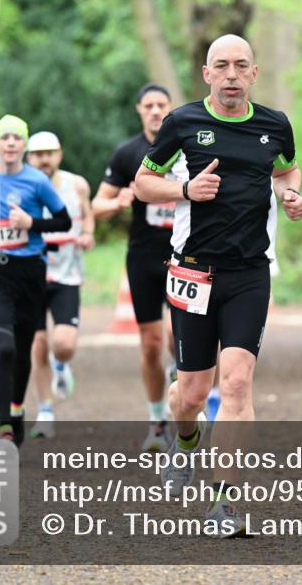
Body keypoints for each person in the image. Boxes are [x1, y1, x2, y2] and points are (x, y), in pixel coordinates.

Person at [134, 34, 302, 536]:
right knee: (191, 393)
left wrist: (292, 195)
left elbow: (287, 170)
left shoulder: (275, 125)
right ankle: (182, 438)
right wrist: (185, 189)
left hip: (250, 272)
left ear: (254, 74)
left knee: (235, 384)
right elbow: (143, 185)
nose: (231, 75)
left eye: (241, 66)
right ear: (206, 73)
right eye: (221, 66)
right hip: (193, 270)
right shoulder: (183, 123)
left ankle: (226, 503)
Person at [0, 115, 71, 446]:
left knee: (23, 349)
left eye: (16, 138)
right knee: (4, 346)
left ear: (24, 145)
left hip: (30, 273)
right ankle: (4, 426)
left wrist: (31, 222)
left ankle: (18, 407)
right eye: (5, 137)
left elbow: (64, 222)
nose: (10, 143)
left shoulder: (37, 180)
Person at [91, 84, 178, 451]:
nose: (156, 111)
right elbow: (97, 205)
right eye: (149, 106)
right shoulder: (128, 153)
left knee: (181, 338)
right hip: (142, 257)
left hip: (183, 256)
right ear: (139, 110)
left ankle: (186, 390)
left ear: (171, 108)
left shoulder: (186, 147)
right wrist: (119, 202)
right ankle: (157, 422)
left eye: (161, 105)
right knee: (150, 344)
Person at [23, 131, 95, 438]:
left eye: (49, 153)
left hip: (66, 276)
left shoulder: (76, 184)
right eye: (37, 154)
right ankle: (45, 411)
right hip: (32, 276)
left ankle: (61, 365)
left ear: (59, 155)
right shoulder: (20, 187)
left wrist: (88, 234)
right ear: (28, 158)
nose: (43, 159)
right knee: (37, 343)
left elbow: (88, 216)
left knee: (63, 344)